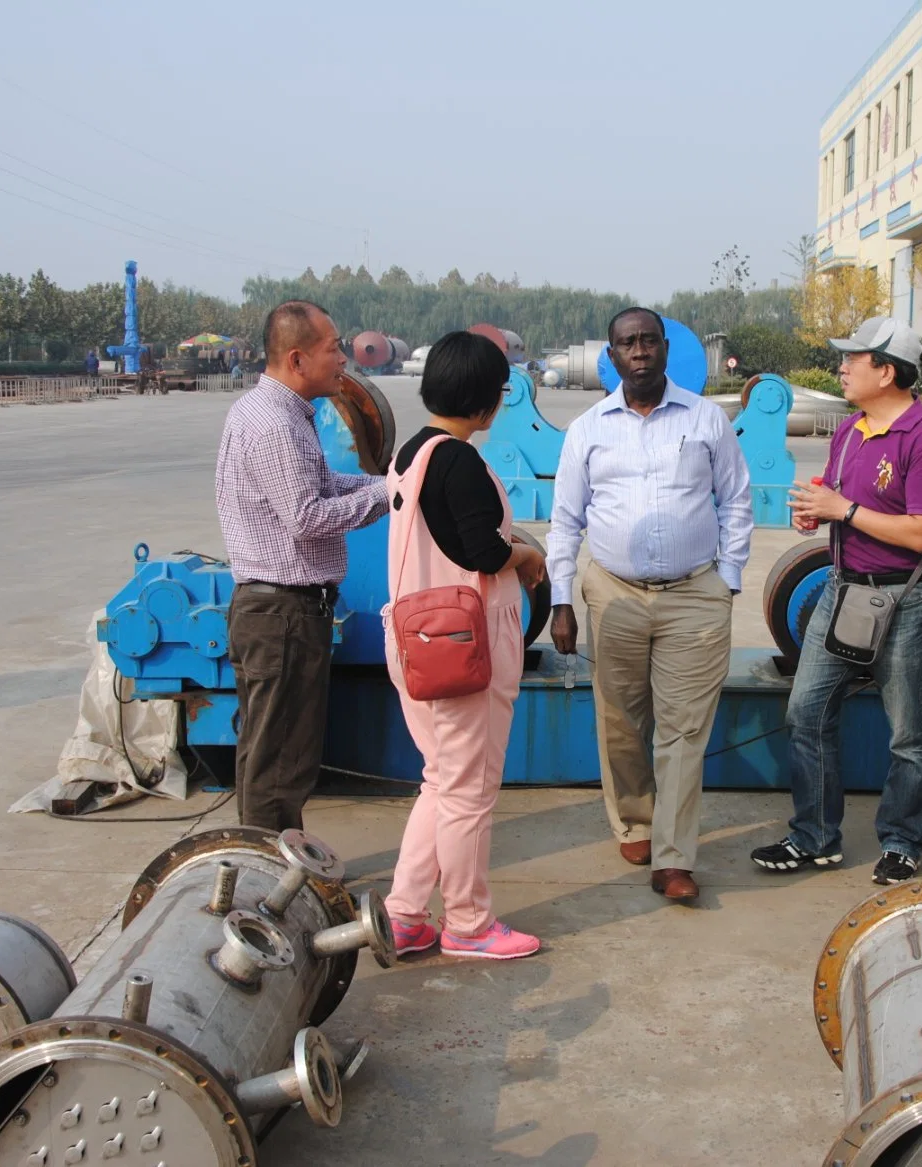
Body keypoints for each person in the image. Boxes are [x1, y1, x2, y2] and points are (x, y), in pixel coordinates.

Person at [548, 307, 754, 903]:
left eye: (647, 341)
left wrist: (728, 580)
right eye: (625, 344)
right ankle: (635, 820)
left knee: (685, 730)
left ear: (665, 349)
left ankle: (673, 856)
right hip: (613, 592)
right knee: (620, 723)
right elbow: (565, 522)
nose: (637, 352)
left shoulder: (706, 418)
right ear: (610, 358)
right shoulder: (587, 428)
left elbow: (735, 501)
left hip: (695, 595)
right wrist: (562, 598)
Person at [749, 318, 922, 885]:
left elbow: (921, 535)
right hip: (843, 593)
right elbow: (843, 505)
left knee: (908, 734)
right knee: (806, 711)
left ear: (887, 370)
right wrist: (817, 513)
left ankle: (903, 840)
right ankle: (814, 837)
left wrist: (844, 512)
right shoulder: (850, 431)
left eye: (853, 359)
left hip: (906, 602)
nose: (841, 368)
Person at [382, 331, 548, 960]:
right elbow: (480, 550)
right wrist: (528, 556)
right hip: (459, 651)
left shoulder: (411, 454)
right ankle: (469, 924)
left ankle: (404, 913)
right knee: (470, 791)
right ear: (486, 404)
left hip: (416, 641)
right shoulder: (458, 460)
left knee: (442, 782)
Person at [215, 300, 389, 831]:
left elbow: (323, 487)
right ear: (296, 358)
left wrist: (386, 485)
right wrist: (394, 496)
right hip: (283, 615)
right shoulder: (274, 424)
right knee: (281, 758)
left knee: (270, 750)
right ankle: (265, 870)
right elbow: (308, 516)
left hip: (278, 612)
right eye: (333, 348)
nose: (343, 359)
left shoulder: (279, 413)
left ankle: (269, 855)